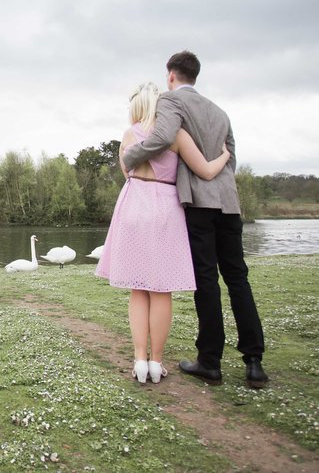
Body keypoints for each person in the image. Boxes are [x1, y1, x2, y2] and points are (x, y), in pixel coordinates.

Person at [122, 51, 268, 388]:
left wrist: (131, 156)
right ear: (196, 75)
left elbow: (160, 139)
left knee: (206, 280)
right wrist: (224, 163)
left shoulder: (170, 103)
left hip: (199, 203)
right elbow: (230, 156)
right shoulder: (221, 112)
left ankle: (210, 361)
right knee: (237, 278)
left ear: (170, 75)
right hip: (229, 202)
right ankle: (254, 360)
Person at [96, 81, 231, 384]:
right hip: (165, 210)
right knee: (160, 290)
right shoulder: (176, 136)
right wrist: (225, 154)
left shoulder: (129, 135)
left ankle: (139, 360)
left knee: (137, 287)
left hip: (132, 207)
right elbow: (206, 171)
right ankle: (156, 362)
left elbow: (126, 173)